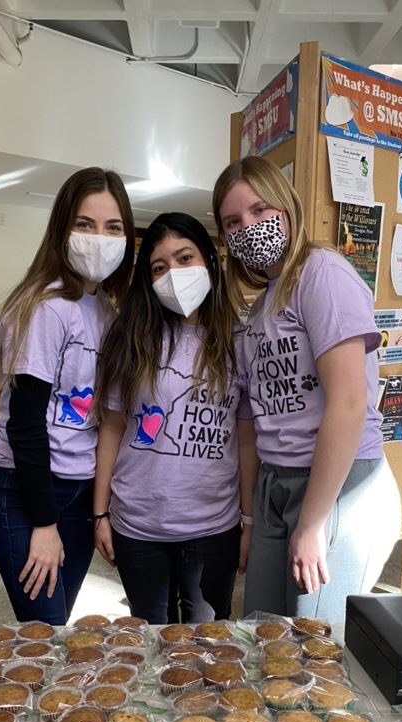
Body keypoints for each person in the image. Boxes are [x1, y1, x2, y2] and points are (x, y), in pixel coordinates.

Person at [213, 155, 401, 623]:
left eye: (260, 210)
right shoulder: (260, 308)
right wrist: (252, 519)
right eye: (233, 222)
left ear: (287, 209)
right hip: (277, 483)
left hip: (337, 483)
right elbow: (256, 423)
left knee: (312, 650)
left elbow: (349, 401)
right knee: (262, 630)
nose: (249, 227)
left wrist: (314, 522)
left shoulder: (321, 273)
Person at [0, 168, 135, 625]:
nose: (99, 239)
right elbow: (25, 423)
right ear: (62, 228)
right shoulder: (44, 306)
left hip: (79, 487)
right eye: (85, 225)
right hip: (22, 487)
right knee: (43, 632)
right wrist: (43, 526)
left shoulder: (104, 308)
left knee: (58, 626)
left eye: (113, 227)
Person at [93, 212, 257, 623]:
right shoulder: (131, 340)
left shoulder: (238, 342)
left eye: (185, 258)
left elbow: (245, 437)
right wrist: (100, 514)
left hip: (213, 526)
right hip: (138, 523)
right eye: (160, 267)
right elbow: (112, 427)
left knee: (208, 646)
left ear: (209, 260)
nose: (174, 274)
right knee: (149, 642)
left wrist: (249, 520)